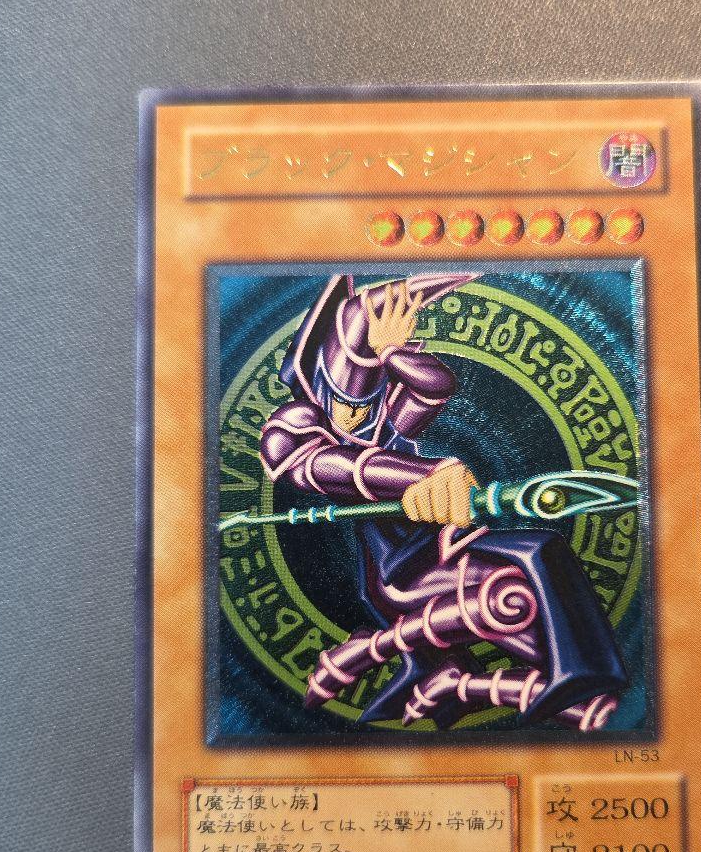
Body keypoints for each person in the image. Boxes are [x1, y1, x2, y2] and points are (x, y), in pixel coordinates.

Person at [259, 274, 628, 731]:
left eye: (365, 406)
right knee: (516, 584)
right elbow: (323, 466)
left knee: (536, 558)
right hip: (401, 573)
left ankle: (520, 681)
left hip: (443, 547)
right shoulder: (297, 424)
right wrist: (420, 476)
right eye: (343, 404)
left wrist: (392, 353)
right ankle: (543, 679)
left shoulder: (381, 422)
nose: (355, 418)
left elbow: (434, 387)